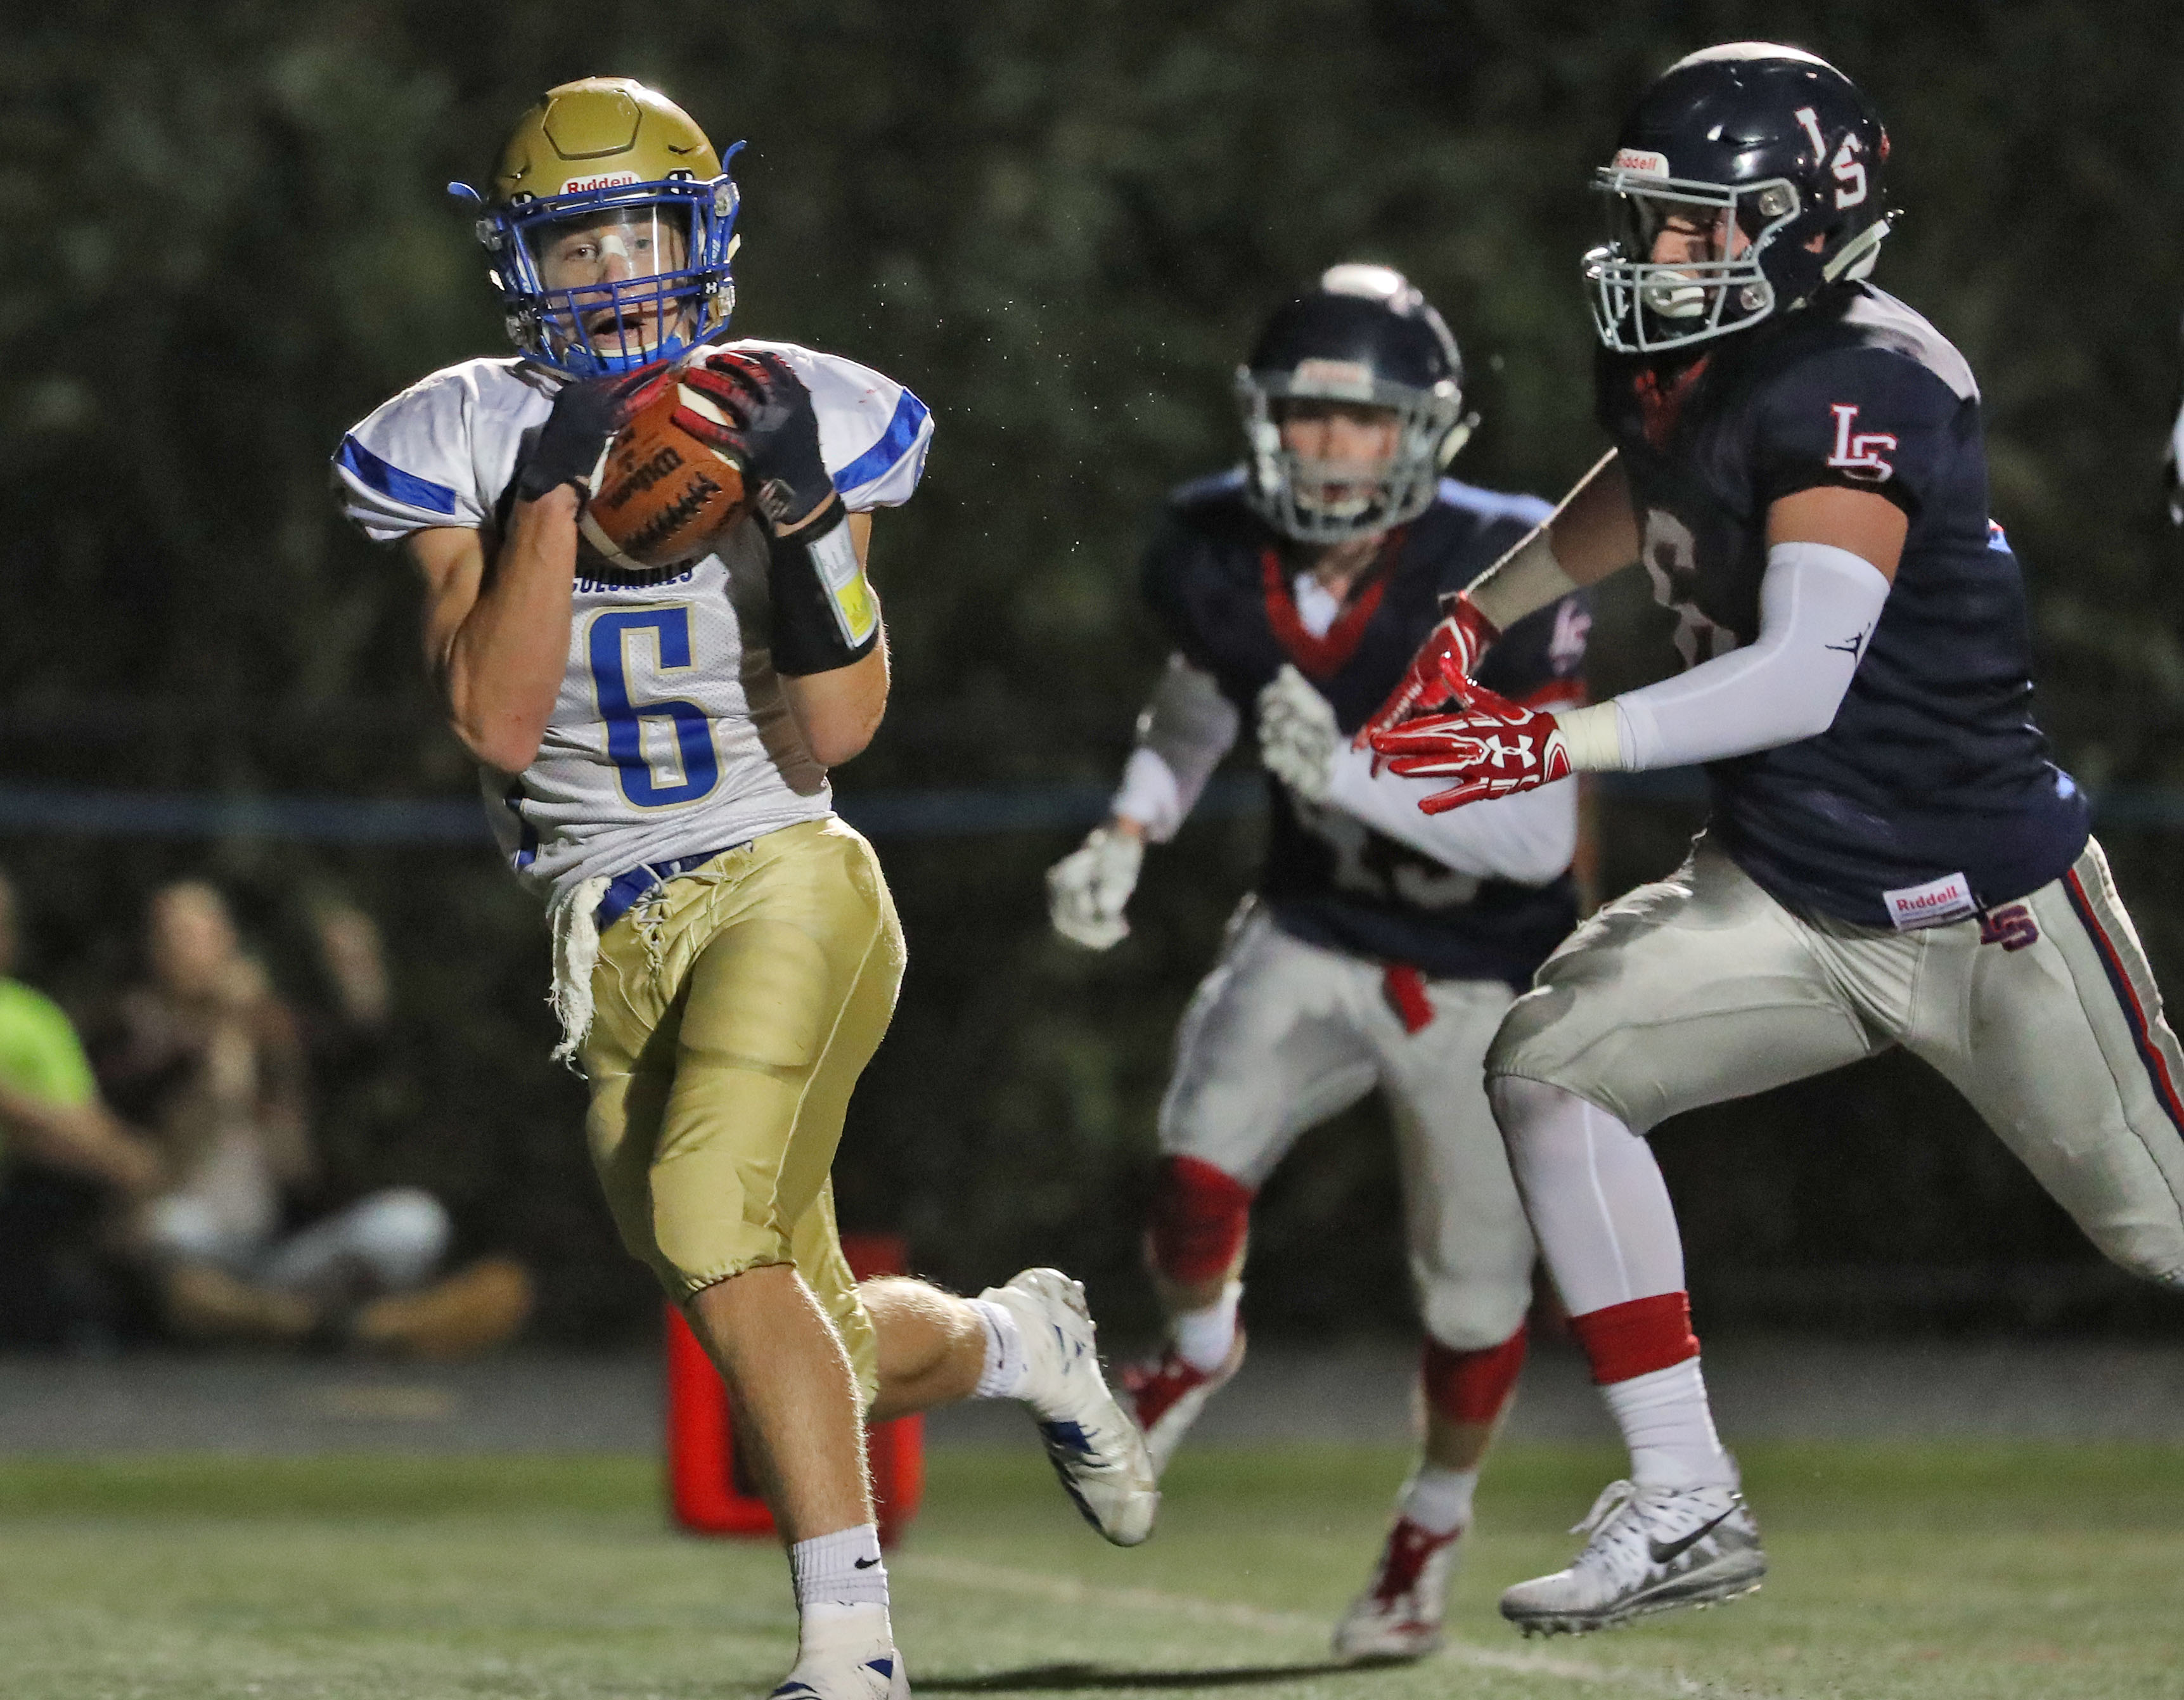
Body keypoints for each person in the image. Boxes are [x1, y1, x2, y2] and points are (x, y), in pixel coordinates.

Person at [333, 77, 1155, 1700]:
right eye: (578, 245)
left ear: (701, 241)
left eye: (641, 235)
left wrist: (807, 510)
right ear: (522, 267)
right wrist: (554, 489)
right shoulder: (466, 433)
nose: (615, 276)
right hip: (600, 932)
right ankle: (1019, 1342)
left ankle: (850, 1652)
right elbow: (494, 721)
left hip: (784, 874)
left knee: (712, 1221)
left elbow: (841, 728)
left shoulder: (795, 408)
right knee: (792, 1330)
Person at [1363, 42, 2184, 1636]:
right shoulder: (1685, 355)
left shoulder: (1867, 378)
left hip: (1981, 906)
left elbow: (1806, 672)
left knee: (2165, 1228)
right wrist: (1484, 608)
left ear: (1807, 223)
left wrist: (1544, 737)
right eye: (1651, 217)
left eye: (1701, 222)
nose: (1661, 252)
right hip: (1791, 891)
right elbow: (1654, 482)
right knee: (1551, 1068)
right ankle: (1685, 1498)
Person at [1046, 264, 1590, 1658]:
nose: (1333, 446)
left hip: (1485, 974)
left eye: (1364, 419)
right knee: (1193, 1160)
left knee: (1473, 1294)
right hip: (1315, 925)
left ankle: (1432, 1525)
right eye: (1307, 415)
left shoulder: (1508, 559)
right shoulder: (1214, 546)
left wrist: (1347, 773)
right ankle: (1197, 1349)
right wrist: (1130, 826)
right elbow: (1196, 705)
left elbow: (1536, 834)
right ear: (1261, 419)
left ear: (1425, 429)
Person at [96, 880, 528, 1354]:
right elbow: (132, 1115)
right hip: (200, 1245)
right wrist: (217, 1034)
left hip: (282, 1255)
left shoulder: (275, 1031)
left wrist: (355, 973)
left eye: (202, 934)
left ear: (229, 942)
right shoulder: (134, 1030)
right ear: (155, 950)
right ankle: (352, 1329)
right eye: (177, 936)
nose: (191, 950)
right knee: (168, 1228)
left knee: (413, 1222)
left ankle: (282, 1323)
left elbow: (360, 1051)